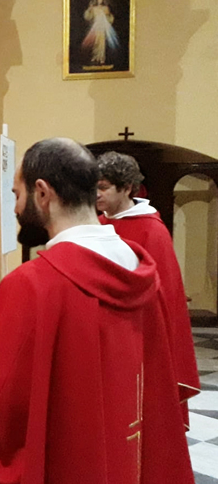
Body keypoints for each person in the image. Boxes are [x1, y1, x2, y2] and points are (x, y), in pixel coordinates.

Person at [0, 138, 193, 483]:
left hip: (68, 462)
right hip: (129, 458)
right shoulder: (142, 272)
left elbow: (2, 401)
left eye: (16, 194)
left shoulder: (31, 285)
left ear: (42, 193)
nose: (15, 207)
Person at [96, 151, 200, 424]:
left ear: (127, 187)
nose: (96, 194)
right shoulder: (98, 225)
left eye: (103, 187)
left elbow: (162, 295)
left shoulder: (152, 230)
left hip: (139, 335)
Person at [82, 0, 119, 65]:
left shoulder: (105, 8)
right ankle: (95, 57)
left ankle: (101, 58)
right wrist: (89, 9)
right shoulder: (94, 8)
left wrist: (108, 14)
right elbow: (88, 17)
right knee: (95, 42)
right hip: (95, 27)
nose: (100, 0)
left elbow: (110, 19)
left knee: (102, 43)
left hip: (102, 27)